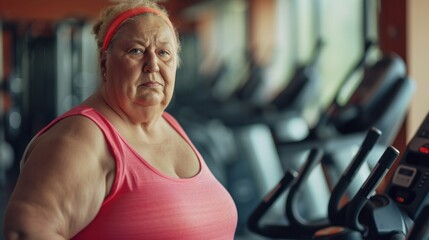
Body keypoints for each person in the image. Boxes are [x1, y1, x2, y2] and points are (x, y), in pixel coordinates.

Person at [3, 1, 238, 239]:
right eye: (136, 50)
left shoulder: (169, 124)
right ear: (104, 63)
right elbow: (24, 233)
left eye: (164, 53)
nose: (153, 65)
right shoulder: (80, 137)